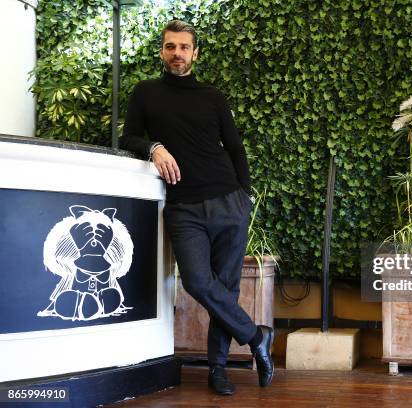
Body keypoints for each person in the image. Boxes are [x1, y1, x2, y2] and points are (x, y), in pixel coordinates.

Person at [120, 20, 274, 396]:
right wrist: (154, 148)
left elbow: (235, 148)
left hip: (227, 200)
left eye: (184, 47)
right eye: (170, 46)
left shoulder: (212, 96)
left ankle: (218, 370)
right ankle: (256, 335)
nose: (177, 53)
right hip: (182, 206)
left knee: (226, 287)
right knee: (196, 282)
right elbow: (127, 136)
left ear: (195, 53)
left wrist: (245, 195)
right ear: (162, 51)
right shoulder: (145, 93)